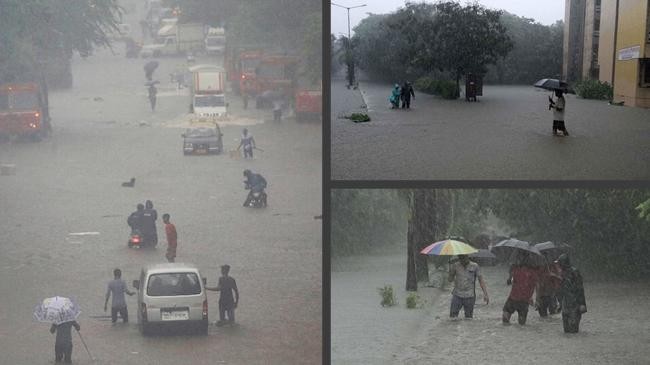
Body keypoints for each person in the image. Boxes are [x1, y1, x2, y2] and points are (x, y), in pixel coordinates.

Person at [448, 254, 489, 319]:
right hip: (457, 295)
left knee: (469, 318)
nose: (462, 260)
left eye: (463, 257)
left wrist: (485, 294)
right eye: (460, 258)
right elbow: (450, 280)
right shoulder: (455, 265)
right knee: (452, 317)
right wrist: (450, 271)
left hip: (470, 296)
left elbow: (481, 280)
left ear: (467, 256)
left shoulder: (475, 266)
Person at [503, 255, 539, 325]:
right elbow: (536, 286)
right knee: (522, 325)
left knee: (505, 321)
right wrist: (536, 299)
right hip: (524, 300)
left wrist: (510, 274)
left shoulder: (516, 268)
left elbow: (508, 282)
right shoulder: (532, 272)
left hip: (514, 298)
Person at [556, 253, 587, 333]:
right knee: (566, 332)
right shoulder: (562, 274)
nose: (558, 265)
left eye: (559, 263)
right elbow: (561, 291)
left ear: (563, 263)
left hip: (575, 306)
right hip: (565, 306)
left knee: (573, 330)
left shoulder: (574, 272)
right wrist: (560, 304)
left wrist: (582, 304)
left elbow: (580, 289)